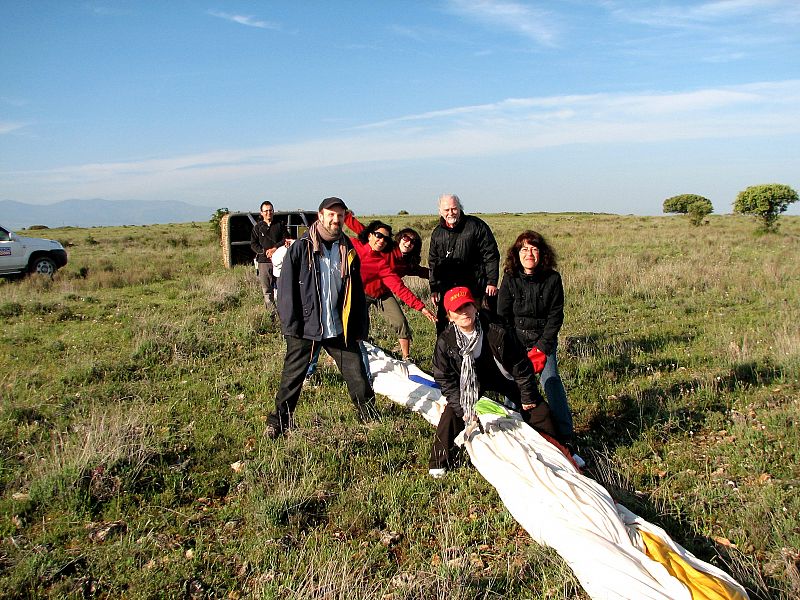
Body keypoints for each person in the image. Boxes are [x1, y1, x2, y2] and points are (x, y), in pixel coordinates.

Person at [266, 197, 379, 438]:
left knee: (356, 373)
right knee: (292, 377)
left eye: (340, 215)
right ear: (320, 216)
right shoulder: (301, 247)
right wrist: (291, 325)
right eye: (331, 215)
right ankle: (278, 423)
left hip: (338, 326)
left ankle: (369, 416)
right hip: (306, 327)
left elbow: (355, 292)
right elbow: (286, 290)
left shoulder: (347, 249)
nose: (335, 220)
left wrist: (358, 325)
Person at [429, 286, 558, 478]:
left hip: (501, 374)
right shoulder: (445, 341)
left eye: (467, 306)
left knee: (538, 409)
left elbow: (521, 365)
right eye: (458, 309)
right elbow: (444, 377)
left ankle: (562, 450)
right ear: (450, 316)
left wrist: (527, 396)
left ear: (475, 307)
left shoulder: (497, 329)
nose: (464, 312)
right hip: (471, 382)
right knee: (451, 414)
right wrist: (461, 407)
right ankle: (439, 462)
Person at [497, 230, 575, 448]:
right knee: (514, 383)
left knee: (551, 381)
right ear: (517, 254)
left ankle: (565, 434)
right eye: (524, 249)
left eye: (534, 249)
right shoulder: (510, 278)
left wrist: (542, 347)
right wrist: (512, 347)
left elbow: (555, 316)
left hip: (543, 340)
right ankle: (510, 428)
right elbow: (502, 316)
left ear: (542, 253)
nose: (529, 254)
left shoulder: (552, 279)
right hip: (517, 341)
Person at [344, 213, 436, 361]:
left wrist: (442, 277)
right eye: (406, 238)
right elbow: (362, 230)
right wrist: (343, 215)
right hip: (362, 292)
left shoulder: (407, 264)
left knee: (400, 321)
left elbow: (403, 285)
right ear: (399, 238)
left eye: (413, 242)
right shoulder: (383, 246)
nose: (408, 243)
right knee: (359, 326)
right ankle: (355, 355)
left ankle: (406, 358)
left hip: (383, 293)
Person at [428, 194, 500, 334]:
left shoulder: (476, 226)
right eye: (446, 210)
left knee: (478, 323)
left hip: (475, 287)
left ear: (460, 208)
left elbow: (491, 254)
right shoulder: (437, 233)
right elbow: (433, 262)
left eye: (454, 209)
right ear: (440, 211)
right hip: (448, 288)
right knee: (444, 326)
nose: (450, 213)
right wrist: (434, 287)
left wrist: (492, 281)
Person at [250, 201, 290, 308]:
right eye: (266, 211)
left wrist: (275, 249)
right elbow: (253, 244)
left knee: (281, 287)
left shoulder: (280, 225)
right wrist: (264, 252)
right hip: (264, 262)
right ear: (261, 213)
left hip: (280, 262)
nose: (268, 213)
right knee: (267, 289)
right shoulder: (257, 228)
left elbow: (286, 239)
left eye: (270, 210)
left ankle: (283, 311)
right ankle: (270, 312)